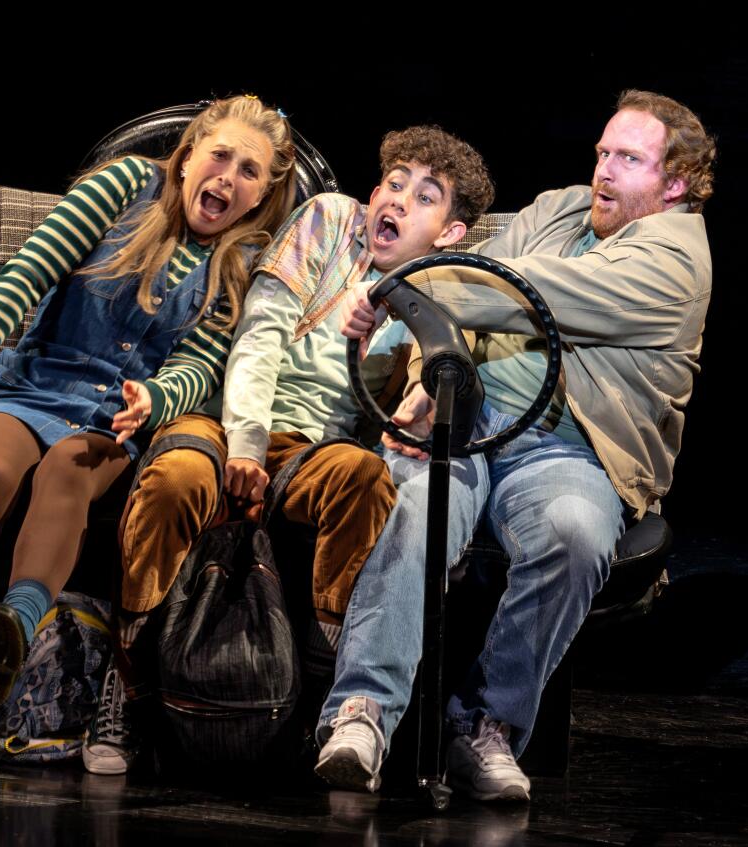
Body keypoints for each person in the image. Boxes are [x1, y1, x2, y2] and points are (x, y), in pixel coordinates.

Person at [0, 95, 297, 784]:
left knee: (68, 465)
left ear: (263, 192)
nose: (229, 177)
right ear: (189, 154)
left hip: (109, 421)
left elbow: (201, 365)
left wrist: (158, 397)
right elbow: (26, 274)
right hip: (28, 387)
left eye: (251, 171)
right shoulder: (122, 186)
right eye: (220, 155)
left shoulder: (243, 260)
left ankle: (9, 638)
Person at [319, 89, 716, 801]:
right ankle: (362, 713)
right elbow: (465, 308)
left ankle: (484, 725)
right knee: (414, 504)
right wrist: (424, 380)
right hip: (471, 417)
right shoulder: (556, 209)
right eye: (603, 152)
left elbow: (516, 289)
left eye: (629, 158)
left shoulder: (676, 258)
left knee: (576, 534)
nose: (604, 170)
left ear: (676, 183)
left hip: (567, 453)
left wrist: (401, 286)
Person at [83, 126, 495, 775]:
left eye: (424, 196)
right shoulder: (330, 219)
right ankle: (126, 684)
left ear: (449, 232)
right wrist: (244, 444)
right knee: (176, 482)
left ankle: (312, 694)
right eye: (393, 183)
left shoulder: (442, 289)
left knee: (364, 479)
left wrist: (419, 396)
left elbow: (429, 372)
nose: (396, 201)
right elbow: (261, 332)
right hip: (229, 421)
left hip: (317, 451)